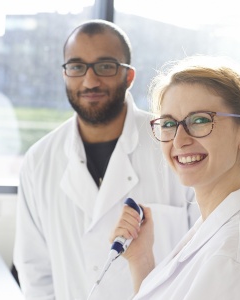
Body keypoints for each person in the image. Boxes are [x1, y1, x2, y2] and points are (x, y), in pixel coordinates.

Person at [13, 20, 200, 300]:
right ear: (65, 74)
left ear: (129, 76)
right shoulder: (39, 161)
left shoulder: (175, 144)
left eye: (105, 66)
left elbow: (203, 256)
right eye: (76, 67)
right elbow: (35, 271)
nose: (90, 81)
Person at [112, 55, 240, 299]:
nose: (180, 140)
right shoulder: (214, 227)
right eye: (169, 124)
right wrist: (141, 260)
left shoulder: (232, 257)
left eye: (200, 120)